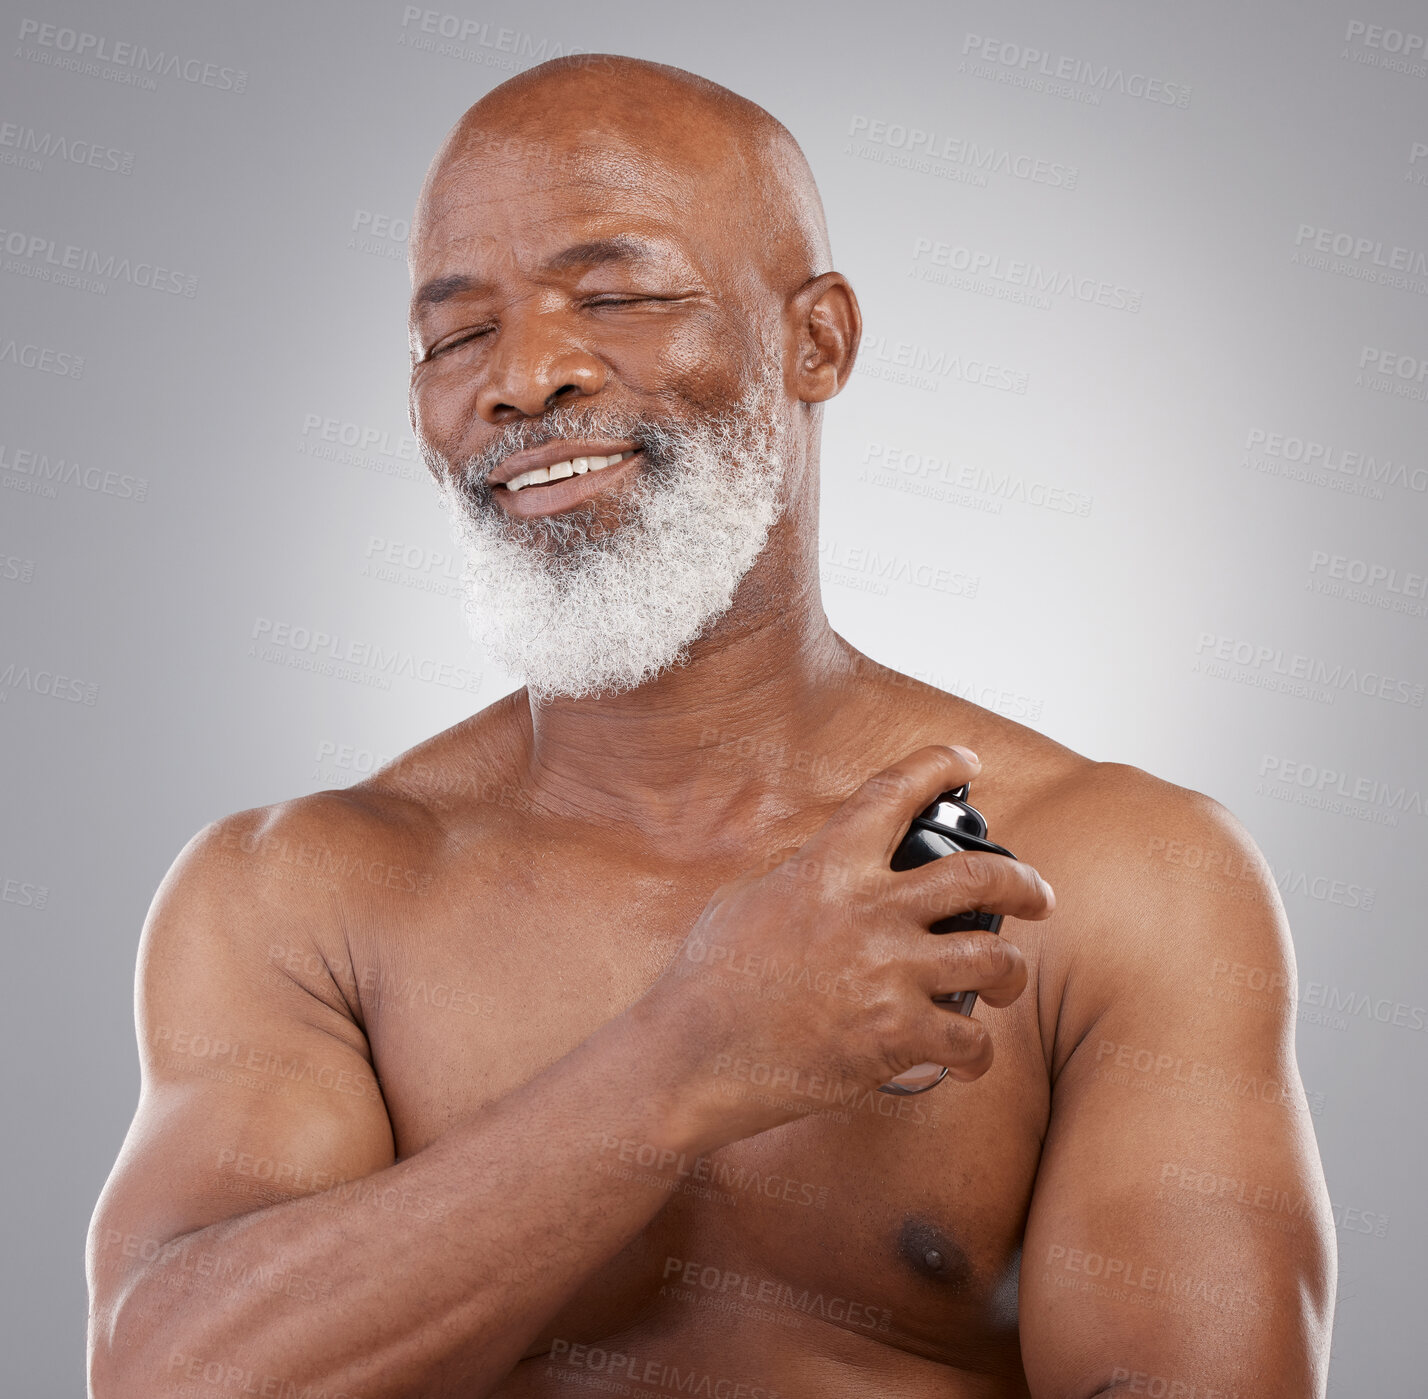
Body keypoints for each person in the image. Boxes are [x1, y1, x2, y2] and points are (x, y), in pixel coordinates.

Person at [87, 54, 1335, 1399]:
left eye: (615, 297)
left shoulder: (1118, 878)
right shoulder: (296, 898)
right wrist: (690, 1056)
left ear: (820, 342)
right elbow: (172, 1379)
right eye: (455, 337)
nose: (526, 378)